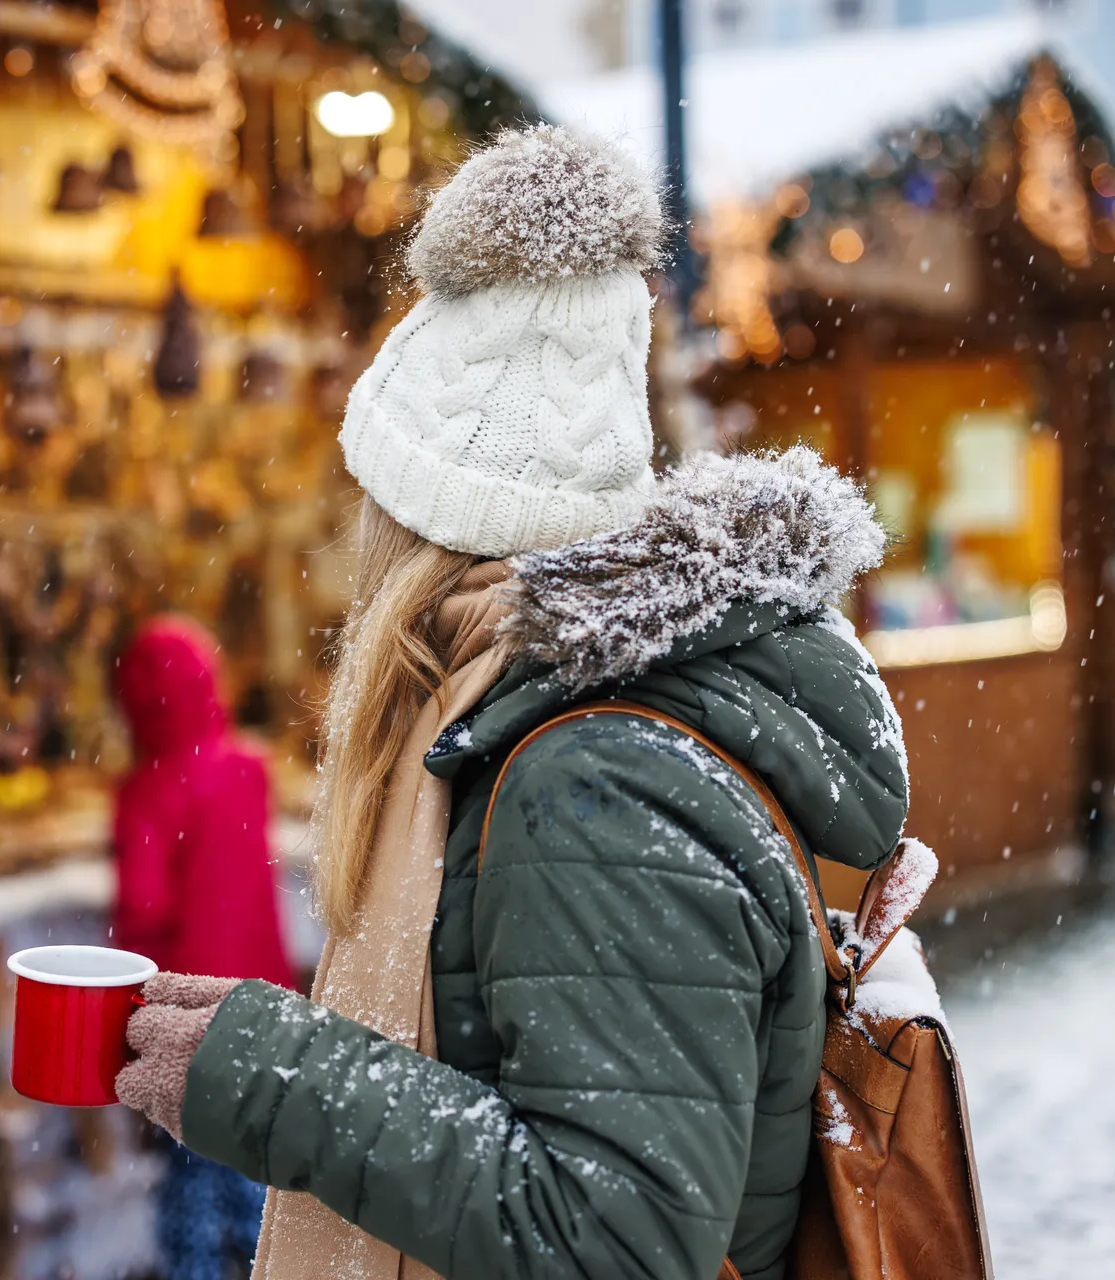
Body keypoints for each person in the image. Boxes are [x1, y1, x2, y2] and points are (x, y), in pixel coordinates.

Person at [114, 125, 910, 1280]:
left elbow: (619, 1240)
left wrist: (280, 1079)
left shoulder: (590, 773)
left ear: (423, 514)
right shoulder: (537, 733)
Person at [110, 616, 292, 1280]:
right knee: (256, 1177)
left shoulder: (147, 793)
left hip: (184, 1017)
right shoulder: (248, 769)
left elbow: (143, 909)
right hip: (260, 1006)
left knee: (191, 1176)